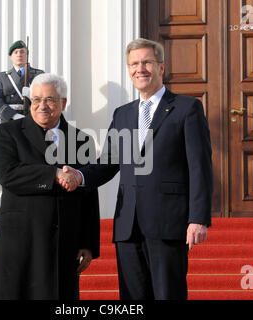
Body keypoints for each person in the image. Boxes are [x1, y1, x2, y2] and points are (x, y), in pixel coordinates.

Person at [60, 38, 213, 300]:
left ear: (161, 68)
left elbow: (200, 167)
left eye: (146, 62)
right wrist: (79, 175)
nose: (139, 69)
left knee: (168, 294)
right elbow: (108, 162)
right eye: (133, 64)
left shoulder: (187, 109)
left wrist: (197, 218)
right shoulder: (123, 114)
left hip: (168, 222)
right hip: (128, 224)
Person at [0, 73, 100, 300]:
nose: (42, 106)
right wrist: (53, 174)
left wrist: (88, 243)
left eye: (50, 99)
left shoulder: (82, 140)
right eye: (36, 100)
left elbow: (89, 191)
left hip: (63, 242)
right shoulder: (8, 133)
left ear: (63, 103)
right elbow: (8, 174)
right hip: (20, 241)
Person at [0, 40, 44, 123]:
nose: (19, 54)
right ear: (11, 57)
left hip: (31, 119)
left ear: (27, 56)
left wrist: (32, 95)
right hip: (9, 120)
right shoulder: (2, 77)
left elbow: (45, 97)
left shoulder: (38, 74)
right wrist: (13, 115)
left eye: (22, 52)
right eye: (16, 52)